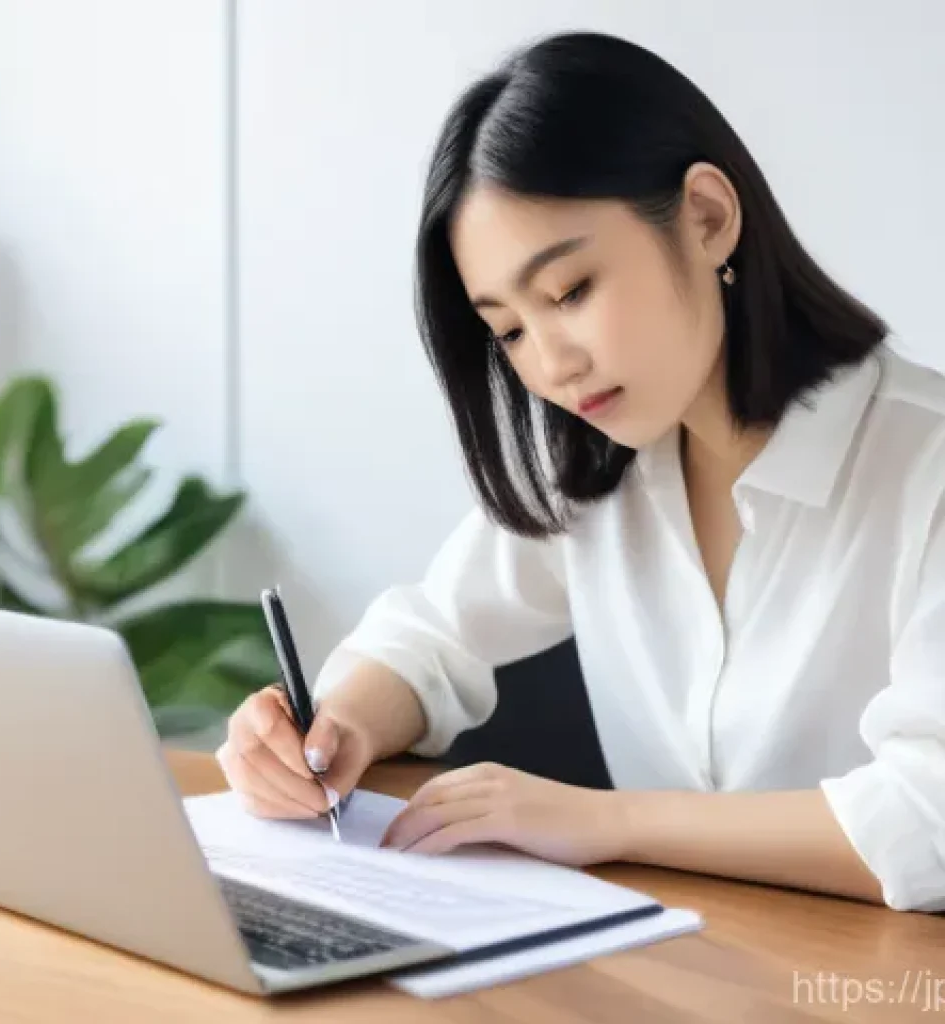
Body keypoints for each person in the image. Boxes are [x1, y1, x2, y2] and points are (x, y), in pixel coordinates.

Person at [216, 31, 945, 912]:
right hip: (681, 966)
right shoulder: (599, 468)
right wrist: (329, 733)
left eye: (568, 292)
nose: (551, 365)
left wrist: (612, 821)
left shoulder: (922, 465)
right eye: (510, 330)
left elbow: (926, 818)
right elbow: (430, 637)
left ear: (708, 218)